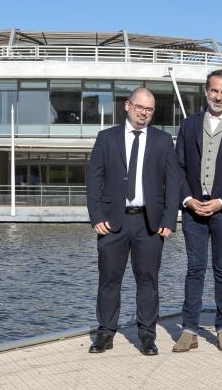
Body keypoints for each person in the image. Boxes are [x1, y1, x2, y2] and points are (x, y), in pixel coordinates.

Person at [86, 87, 179, 356]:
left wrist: (169, 219)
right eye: (140, 107)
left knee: (148, 281)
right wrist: (97, 216)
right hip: (112, 222)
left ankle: (147, 335)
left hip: (149, 223)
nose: (144, 113)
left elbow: (172, 183)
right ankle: (105, 333)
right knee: (108, 280)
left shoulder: (163, 140)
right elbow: (94, 180)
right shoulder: (106, 138)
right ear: (128, 106)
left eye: (149, 109)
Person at [173, 69, 222, 353]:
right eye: (214, 91)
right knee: (194, 269)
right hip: (193, 210)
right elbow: (178, 167)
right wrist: (186, 199)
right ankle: (189, 329)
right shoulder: (189, 125)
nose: (218, 96)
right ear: (206, 92)